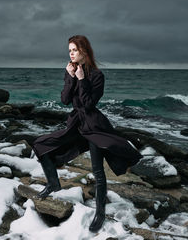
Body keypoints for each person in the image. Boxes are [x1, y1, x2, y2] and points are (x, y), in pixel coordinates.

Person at [32, 35, 142, 233]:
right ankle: (53, 184)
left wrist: (82, 80)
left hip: (93, 125)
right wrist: (71, 78)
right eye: (69, 50)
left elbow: (89, 104)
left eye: (74, 50)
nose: (71, 53)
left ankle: (99, 212)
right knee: (40, 144)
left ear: (84, 51)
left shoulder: (97, 76)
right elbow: (65, 99)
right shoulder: (70, 71)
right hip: (75, 123)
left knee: (98, 171)